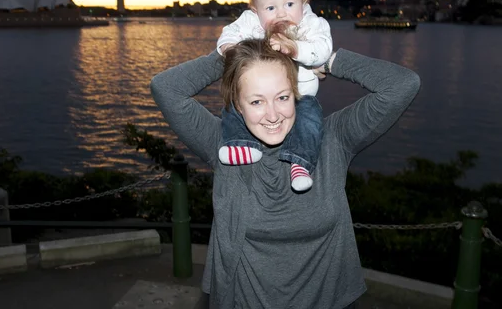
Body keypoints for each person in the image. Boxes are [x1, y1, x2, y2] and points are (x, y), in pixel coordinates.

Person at [150, 31, 421, 309]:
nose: (272, 115)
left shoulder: (332, 139)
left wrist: (325, 60)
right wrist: (228, 58)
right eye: (256, 101)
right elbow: (165, 88)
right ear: (238, 106)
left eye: (282, 97)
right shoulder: (224, 147)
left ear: (297, 95)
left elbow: (403, 85)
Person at [216, 0, 332, 192]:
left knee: (310, 118)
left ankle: (300, 163)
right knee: (232, 107)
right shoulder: (252, 22)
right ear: (255, 10)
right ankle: (241, 145)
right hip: (264, 91)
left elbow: (323, 49)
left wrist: (297, 50)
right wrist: (230, 51)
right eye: (270, 8)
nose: (281, 14)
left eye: (289, 4)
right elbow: (228, 34)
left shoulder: (311, 24)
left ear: (303, 2)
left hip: (300, 97)